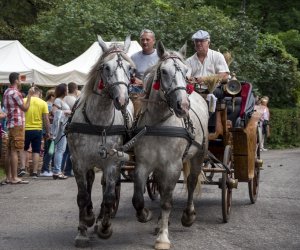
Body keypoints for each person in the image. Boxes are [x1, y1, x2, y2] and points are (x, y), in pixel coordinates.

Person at [3, 72, 34, 184]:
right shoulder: (16, 93)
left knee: (9, 151)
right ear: (16, 80)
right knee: (15, 150)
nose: (21, 81)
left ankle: (8, 177)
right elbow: (25, 108)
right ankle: (15, 177)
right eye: (20, 79)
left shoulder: (6, 91)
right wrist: (29, 95)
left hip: (10, 124)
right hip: (17, 123)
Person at [19, 86, 50, 178]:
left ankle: (22, 168)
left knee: (24, 149)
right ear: (39, 93)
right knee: (36, 151)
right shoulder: (43, 103)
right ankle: (35, 172)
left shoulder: (24, 100)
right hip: (37, 130)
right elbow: (46, 119)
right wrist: (48, 131)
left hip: (24, 129)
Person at [51, 83, 71, 180]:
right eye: (66, 89)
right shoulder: (58, 100)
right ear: (63, 90)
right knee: (60, 150)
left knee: (60, 150)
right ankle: (57, 171)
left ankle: (57, 170)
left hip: (63, 127)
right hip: (60, 128)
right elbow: (54, 112)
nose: (67, 90)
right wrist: (66, 112)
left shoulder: (61, 100)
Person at [130, 29, 159, 94]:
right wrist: (133, 79)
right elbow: (129, 75)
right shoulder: (134, 57)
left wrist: (143, 83)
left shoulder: (161, 56)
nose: (145, 42)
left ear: (154, 41)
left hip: (156, 92)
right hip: (138, 92)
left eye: (147, 39)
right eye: (142, 40)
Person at [61, 82, 78, 177]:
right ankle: (67, 170)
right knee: (70, 150)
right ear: (75, 89)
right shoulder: (75, 100)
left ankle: (60, 169)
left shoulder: (63, 98)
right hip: (71, 126)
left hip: (62, 125)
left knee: (63, 149)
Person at [40, 89, 55, 176]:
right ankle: (45, 169)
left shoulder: (46, 104)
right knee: (50, 150)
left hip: (45, 130)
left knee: (47, 150)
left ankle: (44, 169)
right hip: (48, 130)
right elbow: (48, 118)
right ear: (52, 96)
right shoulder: (49, 105)